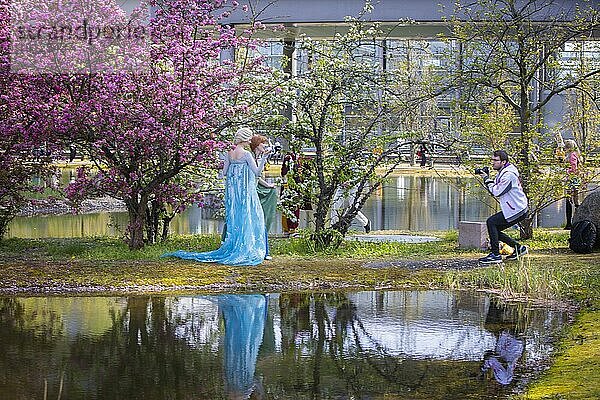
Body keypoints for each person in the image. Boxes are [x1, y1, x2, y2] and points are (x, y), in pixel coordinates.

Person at [163, 127, 268, 266]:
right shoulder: (247, 154)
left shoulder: (230, 152)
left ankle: (235, 244)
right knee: (249, 215)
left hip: (232, 192)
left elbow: (224, 173)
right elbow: (256, 172)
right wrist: (263, 159)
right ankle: (247, 247)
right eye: (249, 138)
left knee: (236, 217)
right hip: (245, 192)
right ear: (246, 139)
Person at [478, 150, 529, 264]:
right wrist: (487, 178)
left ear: (503, 162)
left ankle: (495, 255)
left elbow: (496, 191)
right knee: (494, 229)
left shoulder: (508, 175)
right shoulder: (504, 172)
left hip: (517, 209)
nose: (493, 163)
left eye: (495, 160)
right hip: (516, 207)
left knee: (491, 222)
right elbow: (495, 187)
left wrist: (486, 179)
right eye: (492, 160)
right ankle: (518, 248)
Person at [250, 134, 278, 260]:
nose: (265, 146)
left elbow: (258, 177)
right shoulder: (250, 157)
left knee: (261, 219)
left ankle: (263, 250)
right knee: (255, 219)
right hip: (251, 192)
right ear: (256, 145)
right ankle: (256, 250)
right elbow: (254, 176)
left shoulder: (257, 158)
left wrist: (268, 185)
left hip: (256, 189)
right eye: (263, 144)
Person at [563, 139, 581, 230]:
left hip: (571, 179)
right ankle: (576, 221)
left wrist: (568, 172)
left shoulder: (572, 155)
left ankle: (569, 223)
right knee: (575, 199)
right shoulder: (575, 154)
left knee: (569, 199)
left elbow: (574, 167)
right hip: (575, 178)